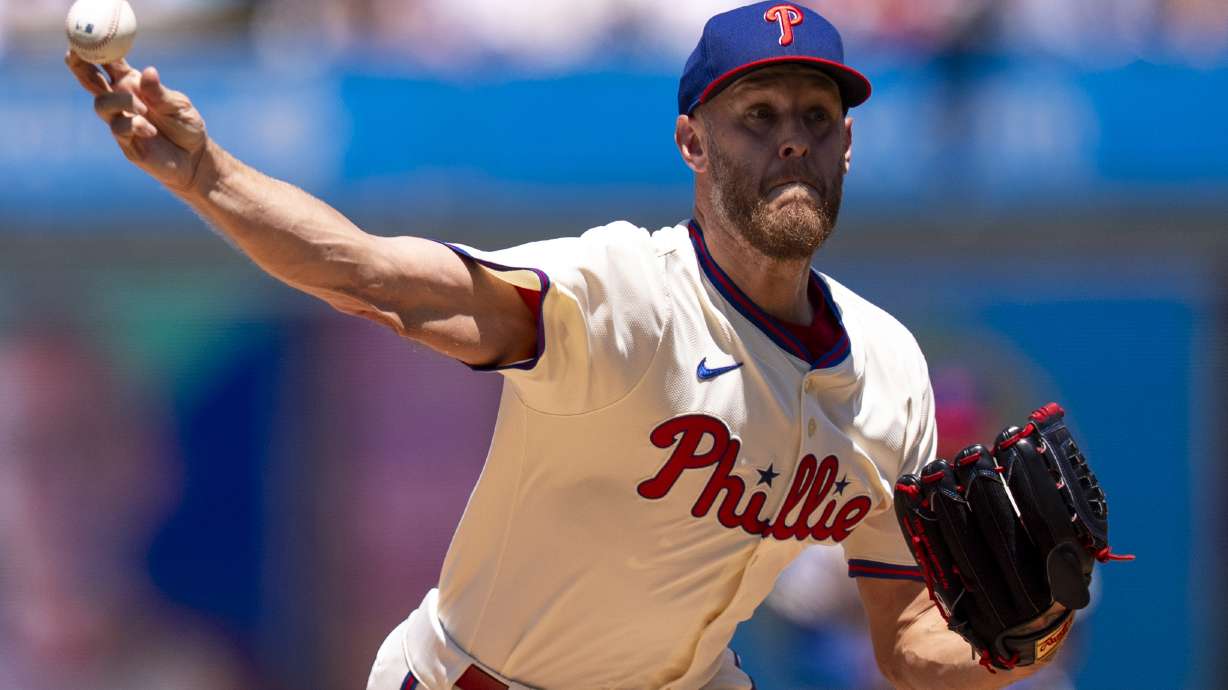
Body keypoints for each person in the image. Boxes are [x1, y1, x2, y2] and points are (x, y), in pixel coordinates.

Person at [66, 3, 1068, 688]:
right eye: (757, 116)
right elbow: (372, 277)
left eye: (817, 115)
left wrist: (1019, 645)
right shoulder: (619, 295)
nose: (792, 138)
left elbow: (906, 648)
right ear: (693, 143)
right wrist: (207, 176)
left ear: (848, 143)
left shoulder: (891, 375)